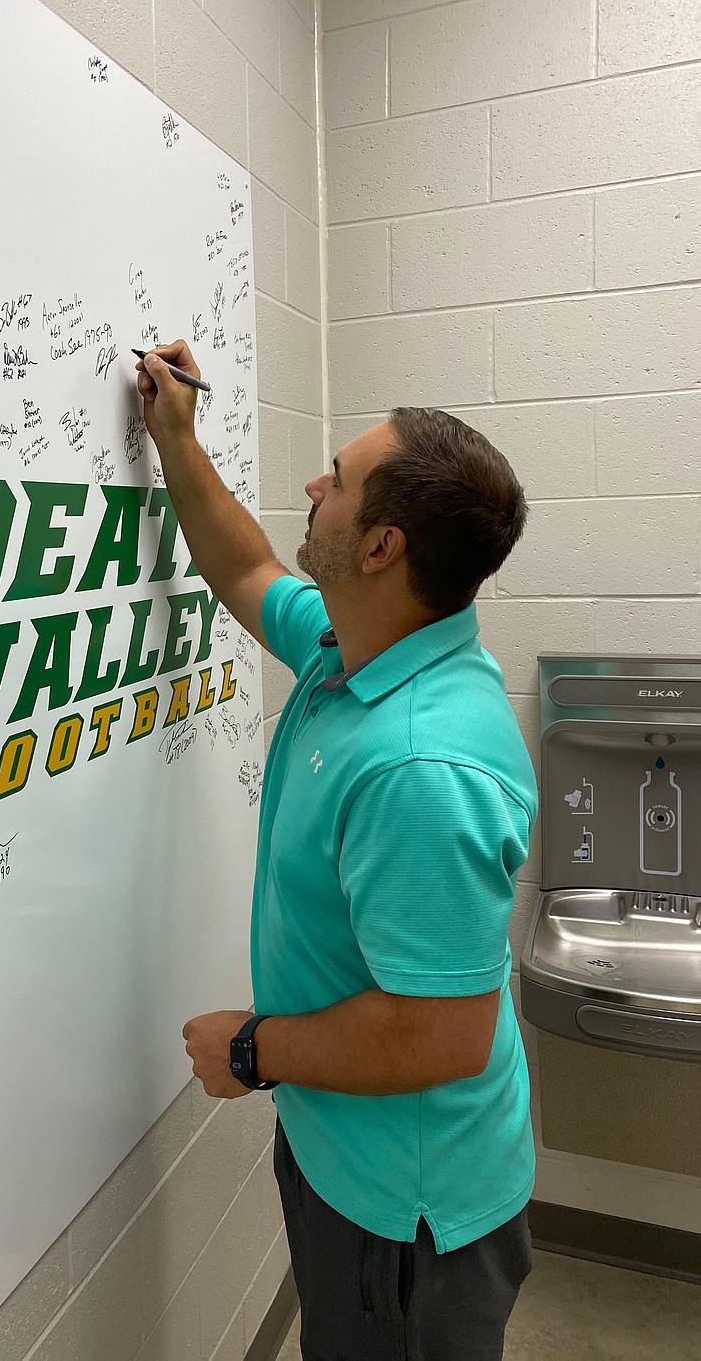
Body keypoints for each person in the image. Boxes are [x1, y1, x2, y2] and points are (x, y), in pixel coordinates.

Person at [135, 340, 538, 1361]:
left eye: (338, 478)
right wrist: (176, 436)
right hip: (343, 1144)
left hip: (408, 1214)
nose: (313, 484)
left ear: (378, 545)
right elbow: (242, 566)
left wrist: (249, 1047)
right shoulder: (356, 646)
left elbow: (438, 1035)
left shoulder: (419, 768)